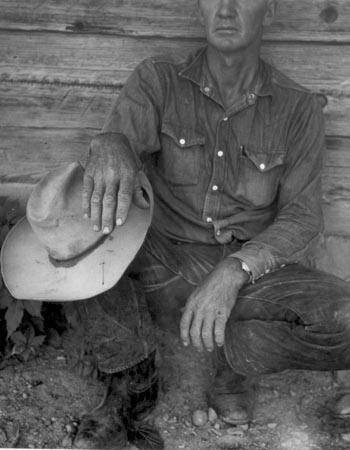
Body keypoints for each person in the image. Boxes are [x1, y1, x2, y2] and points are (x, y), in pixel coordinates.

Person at [78, 0, 350, 446]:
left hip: (249, 278)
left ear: (271, 12)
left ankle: (239, 358)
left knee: (345, 316)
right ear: (197, 11)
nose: (226, 9)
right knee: (85, 241)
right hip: (163, 264)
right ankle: (132, 385)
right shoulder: (158, 80)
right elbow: (121, 141)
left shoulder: (298, 108)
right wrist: (110, 142)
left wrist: (235, 270)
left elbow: (303, 217)